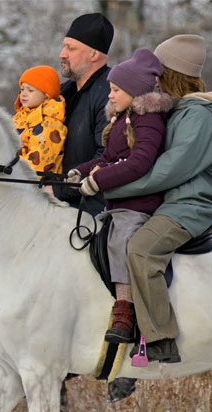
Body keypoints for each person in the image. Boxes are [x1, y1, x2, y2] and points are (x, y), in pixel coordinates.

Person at [105, 34, 212, 363]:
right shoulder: (176, 112)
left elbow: (168, 172)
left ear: (172, 75)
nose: (153, 80)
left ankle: (160, 339)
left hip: (188, 206)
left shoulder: (199, 117)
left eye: (159, 74)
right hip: (168, 201)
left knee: (142, 250)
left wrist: (110, 187)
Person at [69, 49, 174, 344]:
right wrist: (80, 172)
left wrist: (98, 180)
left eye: (116, 90)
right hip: (117, 203)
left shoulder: (148, 122)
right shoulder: (123, 120)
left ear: (135, 92)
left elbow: (139, 163)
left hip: (139, 206)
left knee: (121, 240)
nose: (110, 95)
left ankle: (125, 308)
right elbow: (109, 158)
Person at [52, 12, 114, 216]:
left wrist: (57, 189)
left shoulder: (110, 94)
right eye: (64, 46)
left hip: (89, 210)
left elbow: (106, 157)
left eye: (71, 48)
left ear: (94, 54)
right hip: (55, 202)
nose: (62, 53)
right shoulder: (62, 93)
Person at [12, 65, 67, 174]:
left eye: (30, 90)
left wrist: (8, 169)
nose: (23, 94)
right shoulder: (19, 117)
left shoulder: (51, 124)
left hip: (36, 184)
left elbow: (38, 163)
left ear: (46, 96)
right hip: (11, 177)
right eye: (22, 89)